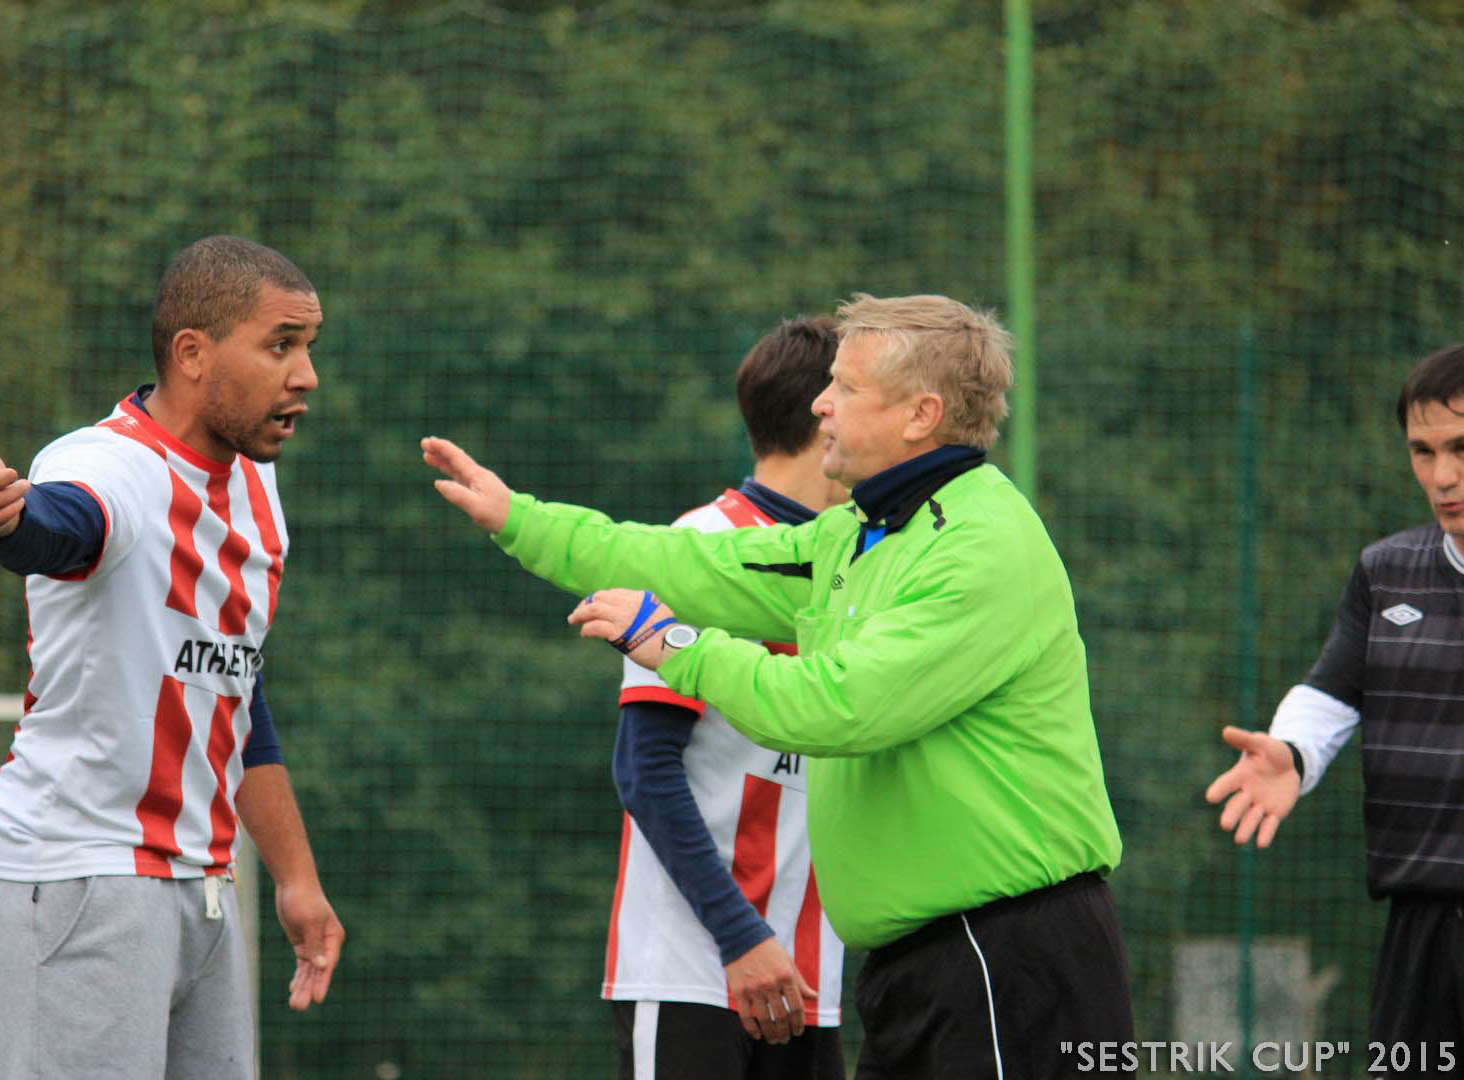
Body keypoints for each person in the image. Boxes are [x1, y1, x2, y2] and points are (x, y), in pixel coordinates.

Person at [425, 292, 1133, 1078]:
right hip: (916, 966)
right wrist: (520, 520)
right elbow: (686, 563)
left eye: (846, 388)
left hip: (1009, 957)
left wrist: (677, 646)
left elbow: (836, 705)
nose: (821, 404)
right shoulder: (859, 534)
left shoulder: (978, 545)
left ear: (921, 415)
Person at [0, 234, 343, 1079]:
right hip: (77, 875)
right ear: (192, 354)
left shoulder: (258, 489)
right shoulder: (109, 465)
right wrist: (1, 518)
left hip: (203, 888)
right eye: (280, 345)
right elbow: (61, 524)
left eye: (307, 346)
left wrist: (296, 878)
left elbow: (234, 690)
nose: (305, 375)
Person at [1206, 342, 1464, 1070]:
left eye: (1460, 448)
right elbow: (1331, 691)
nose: (1442, 476)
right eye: (1422, 451)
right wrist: (1290, 754)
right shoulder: (1386, 572)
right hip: (1422, 930)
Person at [605, 316, 849, 1080]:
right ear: (826, 416)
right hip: (693, 972)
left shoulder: (859, 565)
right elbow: (644, 771)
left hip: (813, 984)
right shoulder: (703, 546)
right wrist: (741, 936)